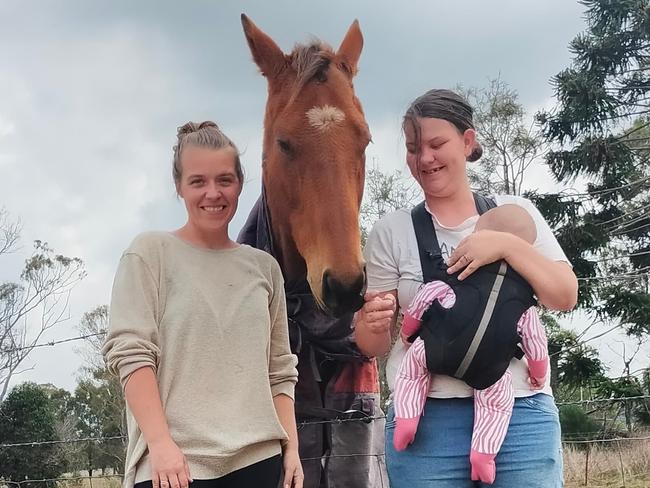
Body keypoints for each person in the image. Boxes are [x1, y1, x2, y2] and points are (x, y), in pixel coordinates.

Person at [353, 89, 578, 487]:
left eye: (437, 144)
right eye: (413, 148)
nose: (425, 159)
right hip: (425, 420)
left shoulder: (515, 215)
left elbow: (564, 295)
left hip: (521, 414)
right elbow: (373, 345)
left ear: (468, 141)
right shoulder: (391, 232)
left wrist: (507, 245)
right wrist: (371, 323)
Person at [102, 121, 303, 488]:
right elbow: (131, 356)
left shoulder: (264, 269)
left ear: (240, 183)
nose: (213, 193)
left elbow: (279, 369)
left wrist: (291, 448)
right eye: (198, 181)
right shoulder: (149, 254)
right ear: (179, 186)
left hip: (259, 461)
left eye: (224, 180)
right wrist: (161, 445)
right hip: (174, 468)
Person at [392, 204, 549, 484]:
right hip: (490, 370)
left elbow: (426, 296)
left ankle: (407, 419)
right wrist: (538, 374)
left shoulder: (459, 274)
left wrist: (408, 330)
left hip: (435, 349)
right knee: (496, 407)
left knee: (412, 372)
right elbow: (536, 341)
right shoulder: (524, 301)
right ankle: (483, 455)